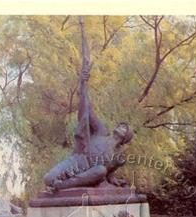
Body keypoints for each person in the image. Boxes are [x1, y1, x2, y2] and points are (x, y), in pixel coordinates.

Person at [43, 26, 134, 193]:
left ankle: (64, 185)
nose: (121, 128)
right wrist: (83, 85)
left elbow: (108, 174)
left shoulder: (119, 157)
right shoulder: (101, 131)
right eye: (121, 125)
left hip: (90, 172)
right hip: (78, 160)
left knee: (100, 170)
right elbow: (88, 111)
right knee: (48, 178)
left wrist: (114, 181)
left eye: (125, 129)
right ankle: (60, 183)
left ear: (125, 138)